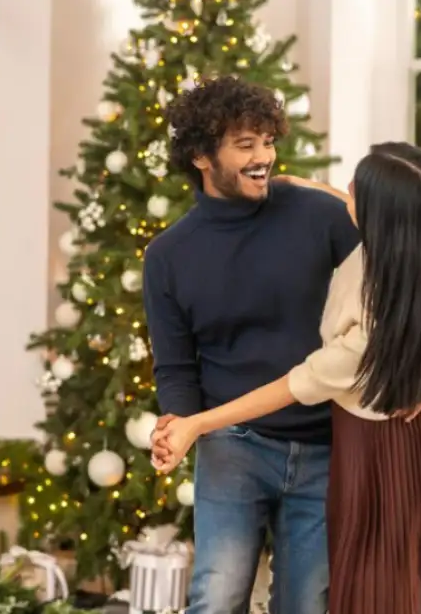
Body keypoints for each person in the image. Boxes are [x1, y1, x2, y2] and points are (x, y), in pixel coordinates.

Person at [151, 142, 421, 613]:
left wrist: (196, 424)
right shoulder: (402, 246)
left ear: (381, 214)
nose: (344, 194)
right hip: (351, 437)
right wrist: (303, 186)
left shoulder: (372, 310)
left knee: (368, 595)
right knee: (223, 596)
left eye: (357, 191)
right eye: (247, 144)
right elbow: (359, 203)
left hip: (374, 449)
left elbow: (294, 385)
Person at [142, 75, 360, 614]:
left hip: (325, 444)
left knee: (306, 605)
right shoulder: (169, 255)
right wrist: (179, 427)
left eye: (268, 140)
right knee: (216, 598)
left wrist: (331, 193)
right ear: (200, 156)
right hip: (232, 444)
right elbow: (174, 366)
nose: (264, 155)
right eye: (246, 144)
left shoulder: (317, 214)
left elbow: (391, 251)